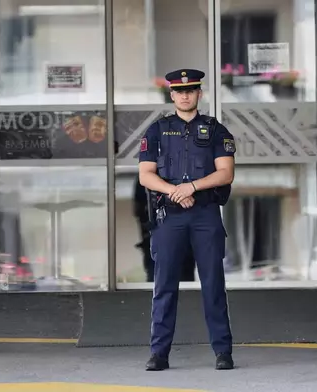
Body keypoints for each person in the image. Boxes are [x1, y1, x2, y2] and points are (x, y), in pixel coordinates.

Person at [138, 68, 237, 371]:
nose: (185, 95)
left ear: (199, 94)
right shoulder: (156, 130)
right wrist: (176, 191)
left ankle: (223, 351)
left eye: (191, 90)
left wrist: (192, 187)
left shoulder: (216, 130)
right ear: (172, 95)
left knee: (213, 284)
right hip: (170, 216)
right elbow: (146, 175)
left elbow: (226, 172)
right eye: (180, 91)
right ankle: (159, 354)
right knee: (164, 286)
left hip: (205, 214)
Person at [132, 175, 196, 282]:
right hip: (156, 240)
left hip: (182, 243)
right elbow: (139, 209)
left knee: (182, 281)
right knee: (158, 280)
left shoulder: (185, 173)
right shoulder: (147, 177)